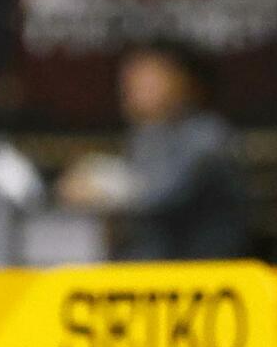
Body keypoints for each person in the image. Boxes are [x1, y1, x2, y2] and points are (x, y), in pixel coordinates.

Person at [59, 41, 250, 258]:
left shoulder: (208, 134)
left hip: (206, 274)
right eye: (130, 81)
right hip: (150, 271)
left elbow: (160, 193)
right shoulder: (146, 136)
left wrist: (99, 181)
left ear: (183, 81)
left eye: (149, 81)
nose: (133, 90)